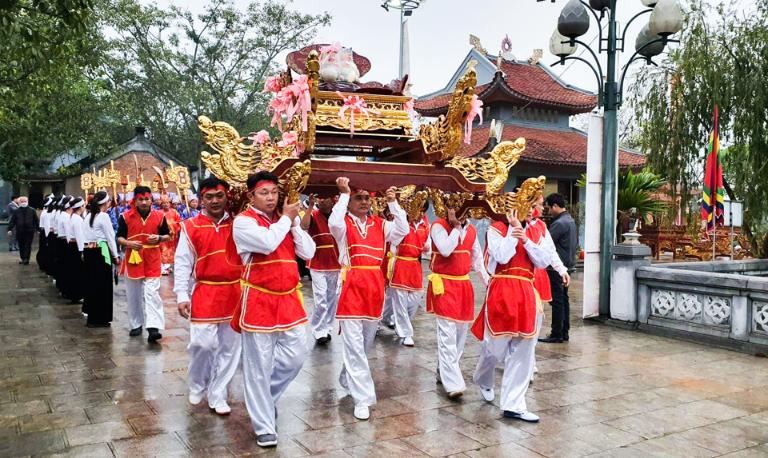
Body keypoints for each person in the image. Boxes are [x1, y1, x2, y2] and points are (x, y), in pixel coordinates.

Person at [232, 172, 315, 448]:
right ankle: (264, 426)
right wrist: (285, 219)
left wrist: (293, 225)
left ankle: (265, 399)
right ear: (251, 196)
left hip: (289, 299)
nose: (271, 197)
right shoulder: (243, 222)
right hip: (259, 299)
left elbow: (309, 253)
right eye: (264, 192)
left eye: (274, 192)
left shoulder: (284, 222)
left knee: (297, 355)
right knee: (258, 365)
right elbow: (267, 243)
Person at [328, 177, 408, 421]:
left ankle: (346, 375)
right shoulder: (343, 224)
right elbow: (332, 222)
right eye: (358, 198)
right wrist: (343, 194)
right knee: (353, 343)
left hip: (374, 287)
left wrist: (393, 203)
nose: (364, 202)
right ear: (349, 202)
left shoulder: (381, 224)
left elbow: (402, 231)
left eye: (367, 198)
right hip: (352, 284)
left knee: (365, 343)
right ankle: (362, 399)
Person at [471, 208, 551, 423]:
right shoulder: (496, 228)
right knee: (494, 346)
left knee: (524, 350)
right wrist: (513, 230)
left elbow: (544, 261)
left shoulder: (535, 231)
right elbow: (501, 256)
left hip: (526, 291)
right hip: (502, 287)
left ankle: (513, 405)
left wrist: (525, 239)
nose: (532, 210)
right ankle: (483, 377)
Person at [174, 177, 242, 416]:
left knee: (230, 348)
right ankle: (197, 384)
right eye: (209, 197)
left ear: (227, 197)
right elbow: (182, 262)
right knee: (202, 344)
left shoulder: (239, 224)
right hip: (205, 290)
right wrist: (182, 293)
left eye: (219, 196)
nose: (215, 201)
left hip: (235, 291)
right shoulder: (190, 226)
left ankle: (218, 392)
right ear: (201, 199)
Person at [427, 207, 488, 400]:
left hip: (463, 285)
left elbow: (477, 260)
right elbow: (445, 250)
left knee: (460, 334)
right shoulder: (438, 226)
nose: (461, 212)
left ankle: (443, 370)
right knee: (447, 334)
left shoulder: (471, 230)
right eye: (456, 208)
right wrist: (455, 227)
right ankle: (452, 383)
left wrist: (489, 283)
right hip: (443, 285)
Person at [117, 185, 171, 343]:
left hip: (152, 257)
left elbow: (168, 235)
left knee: (152, 293)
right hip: (133, 256)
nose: (144, 202)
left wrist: (160, 239)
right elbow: (119, 237)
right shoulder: (125, 217)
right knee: (133, 294)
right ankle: (136, 324)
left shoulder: (159, 216)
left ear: (151, 199)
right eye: (140, 199)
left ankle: (153, 327)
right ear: (135, 200)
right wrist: (128, 243)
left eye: (147, 199)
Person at [525, 197, 570, 379]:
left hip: (536, 277)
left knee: (536, 320)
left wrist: (561, 270)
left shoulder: (541, 227)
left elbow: (550, 251)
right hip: (515, 279)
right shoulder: (508, 224)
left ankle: (529, 358)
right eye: (538, 204)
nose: (541, 208)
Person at [300, 194, 341, 345]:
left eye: (326, 197)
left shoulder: (338, 216)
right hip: (318, 262)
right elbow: (304, 226)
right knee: (321, 298)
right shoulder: (314, 214)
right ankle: (318, 330)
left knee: (332, 297)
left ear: (333, 199)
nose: (323, 199)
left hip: (335, 262)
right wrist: (310, 207)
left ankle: (327, 327)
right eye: (320, 198)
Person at [386, 203, 430, 346]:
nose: (416, 211)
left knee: (415, 298)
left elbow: (429, 249)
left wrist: (427, 248)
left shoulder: (425, 226)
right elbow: (393, 241)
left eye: (420, 208)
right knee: (399, 300)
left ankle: (386, 318)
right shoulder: (402, 223)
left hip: (415, 266)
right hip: (400, 263)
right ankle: (406, 333)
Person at [539, 193, 577, 343]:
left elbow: (545, 245)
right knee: (563, 300)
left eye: (548, 208)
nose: (547, 211)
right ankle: (563, 332)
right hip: (566, 265)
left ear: (555, 206)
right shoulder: (569, 220)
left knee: (557, 301)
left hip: (557, 267)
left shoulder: (560, 223)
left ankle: (557, 333)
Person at [83, 191, 119, 328]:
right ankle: (101, 317)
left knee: (92, 283)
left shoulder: (87, 217)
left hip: (89, 252)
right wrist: (115, 255)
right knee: (103, 285)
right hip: (102, 252)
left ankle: (93, 317)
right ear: (105, 203)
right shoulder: (103, 216)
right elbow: (110, 237)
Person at [66, 197, 87, 306]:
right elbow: (79, 236)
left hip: (72, 246)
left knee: (73, 271)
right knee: (77, 272)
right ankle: (77, 294)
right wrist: (82, 251)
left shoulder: (72, 217)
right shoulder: (77, 219)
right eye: (83, 205)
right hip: (76, 247)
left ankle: (74, 294)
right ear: (80, 207)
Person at [7, 196, 38, 265]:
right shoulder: (16, 211)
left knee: (28, 245)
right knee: (21, 245)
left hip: (30, 231)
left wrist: (38, 229)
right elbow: (12, 221)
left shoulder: (32, 210)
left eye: (25, 201)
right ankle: (23, 258)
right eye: (22, 201)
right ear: (19, 202)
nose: (23, 203)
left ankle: (26, 259)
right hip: (20, 231)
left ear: (27, 202)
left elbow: (36, 220)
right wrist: (9, 229)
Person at [160, 196, 180, 275]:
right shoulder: (159, 213)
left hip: (172, 237)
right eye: (164, 203)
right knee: (163, 251)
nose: (166, 205)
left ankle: (167, 266)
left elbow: (179, 222)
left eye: (167, 203)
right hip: (163, 236)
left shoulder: (174, 212)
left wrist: (172, 225)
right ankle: (163, 268)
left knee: (171, 252)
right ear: (161, 204)